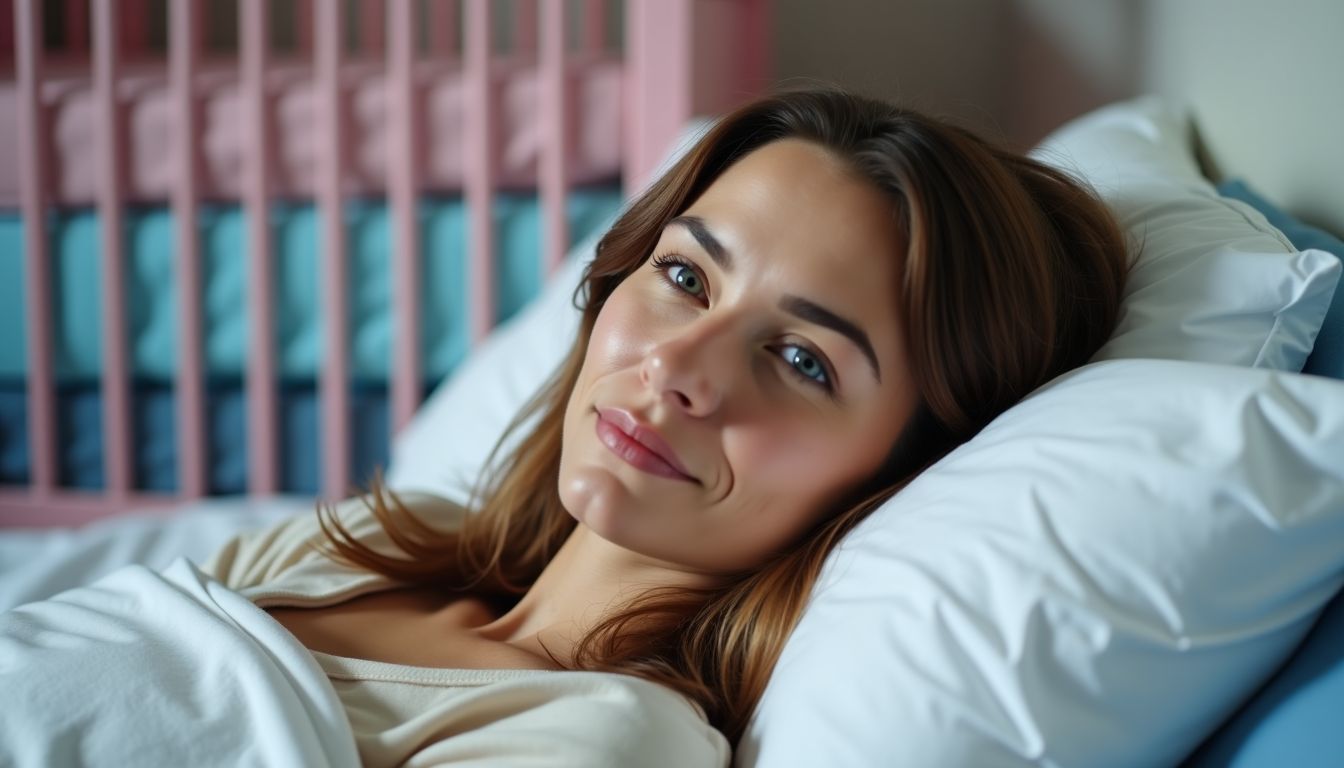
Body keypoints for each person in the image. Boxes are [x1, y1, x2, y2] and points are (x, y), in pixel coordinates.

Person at [0, 87, 1130, 767]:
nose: (677, 368)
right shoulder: (351, 546)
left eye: (801, 359)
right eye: (686, 275)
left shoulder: (602, 739)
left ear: (902, 470)